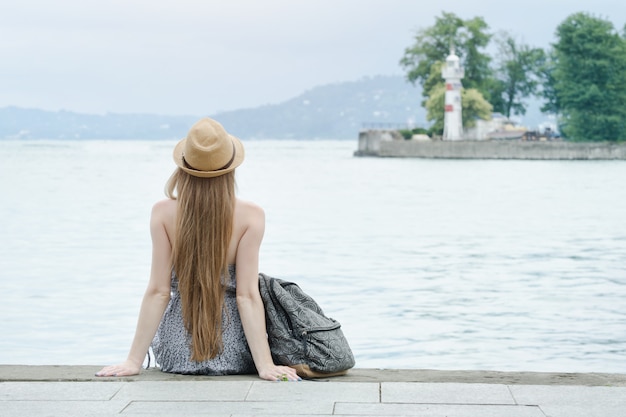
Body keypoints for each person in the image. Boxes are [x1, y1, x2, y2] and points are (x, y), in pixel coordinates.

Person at [96, 118, 300, 381]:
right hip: (233, 351)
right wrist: (265, 365)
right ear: (230, 169)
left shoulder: (162, 213)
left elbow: (158, 292)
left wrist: (133, 361)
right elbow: (246, 296)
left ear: (183, 166)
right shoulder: (252, 216)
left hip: (177, 353)